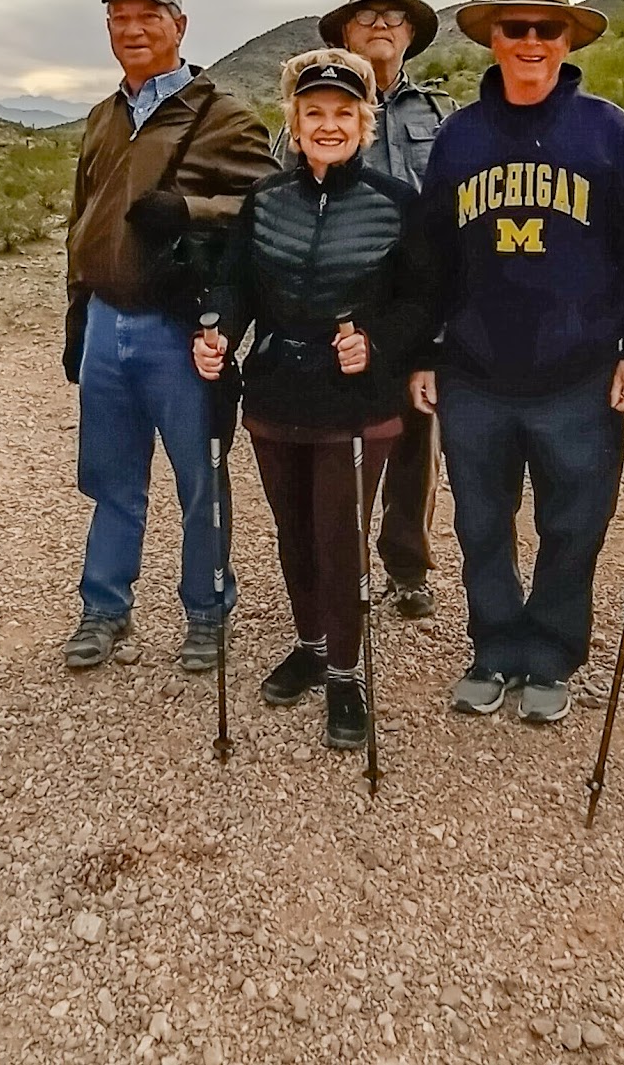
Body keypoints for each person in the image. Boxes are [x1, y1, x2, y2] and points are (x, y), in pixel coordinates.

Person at [409, 0, 624, 726]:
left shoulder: (607, 130)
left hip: (577, 373)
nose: (528, 40)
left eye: (543, 28)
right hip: (476, 370)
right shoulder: (459, 137)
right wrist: (422, 350)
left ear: (564, 38)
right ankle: (492, 647)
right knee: (479, 522)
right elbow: (430, 255)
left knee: (573, 522)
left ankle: (550, 653)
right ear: (492, 38)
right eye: (513, 28)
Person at [195, 49, 432, 751]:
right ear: (293, 125)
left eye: (342, 113)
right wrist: (217, 333)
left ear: (364, 122)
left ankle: (346, 672)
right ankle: (308, 642)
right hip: (274, 391)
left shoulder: (397, 204)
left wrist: (377, 343)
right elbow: (234, 285)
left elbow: (421, 300)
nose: (328, 125)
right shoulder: (265, 201)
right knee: (292, 533)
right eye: (313, 113)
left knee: (338, 536)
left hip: (355, 400)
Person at [63, 0, 276, 674]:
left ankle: (208, 609)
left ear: (179, 26)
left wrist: (190, 209)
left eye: (147, 16)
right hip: (103, 320)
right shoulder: (103, 115)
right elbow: (80, 223)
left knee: (198, 477)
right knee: (110, 475)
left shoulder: (222, 113)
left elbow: (264, 207)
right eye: (118, 18)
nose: (131, 30)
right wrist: (75, 313)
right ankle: (103, 607)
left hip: (177, 325)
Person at [317, 0, 458, 619]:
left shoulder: (440, 115)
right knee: (338, 440)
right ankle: (336, 565)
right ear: (344, 33)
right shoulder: (314, 112)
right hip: (342, 303)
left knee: (411, 438)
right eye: (365, 15)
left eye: (392, 16)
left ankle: (406, 563)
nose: (379, 24)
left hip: (419, 304)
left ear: (409, 34)